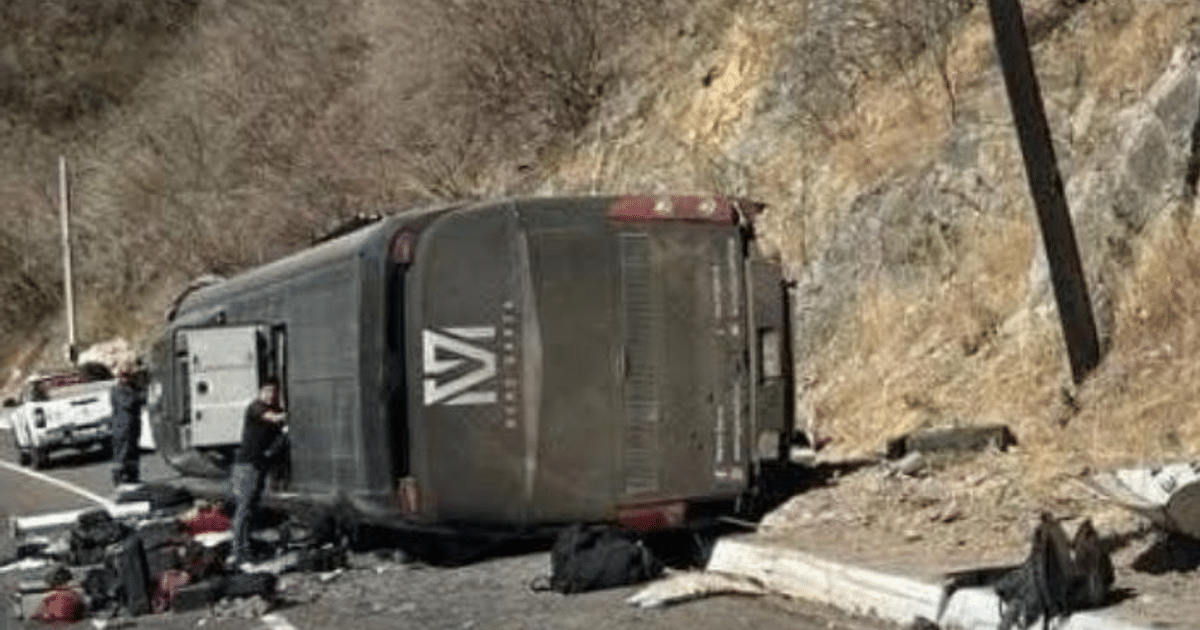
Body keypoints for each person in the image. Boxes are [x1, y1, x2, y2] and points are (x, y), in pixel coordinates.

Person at [229, 379, 288, 567]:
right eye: (267, 391)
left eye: (274, 392)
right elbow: (274, 419)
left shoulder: (272, 410)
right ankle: (239, 553)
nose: (270, 395)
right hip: (247, 466)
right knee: (244, 510)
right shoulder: (255, 408)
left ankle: (245, 551)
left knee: (250, 509)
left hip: (258, 466)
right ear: (260, 392)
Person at [110, 361, 145, 487]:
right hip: (122, 427)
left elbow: (143, 399)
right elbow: (128, 403)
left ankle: (132, 476)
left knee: (133, 452)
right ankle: (118, 477)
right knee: (121, 453)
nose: (126, 378)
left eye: (128, 376)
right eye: (124, 376)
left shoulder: (132, 388)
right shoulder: (118, 389)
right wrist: (137, 396)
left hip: (133, 425)